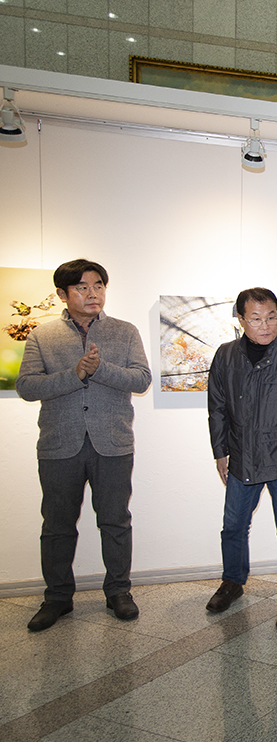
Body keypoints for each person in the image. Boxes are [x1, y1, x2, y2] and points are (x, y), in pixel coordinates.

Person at [16, 259, 151, 631]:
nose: (93, 294)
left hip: (113, 444)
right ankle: (57, 598)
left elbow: (141, 379)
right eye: (82, 287)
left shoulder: (125, 331)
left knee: (116, 522)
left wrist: (99, 369)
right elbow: (27, 386)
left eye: (98, 286)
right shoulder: (42, 335)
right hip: (59, 444)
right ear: (62, 294)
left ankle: (118, 592)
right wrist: (75, 374)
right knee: (57, 526)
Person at [206, 288, 277, 628]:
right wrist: (220, 451)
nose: (265, 325)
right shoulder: (225, 356)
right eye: (256, 319)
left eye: (271, 317)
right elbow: (217, 408)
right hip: (241, 458)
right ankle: (232, 581)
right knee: (233, 526)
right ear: (241, 319)